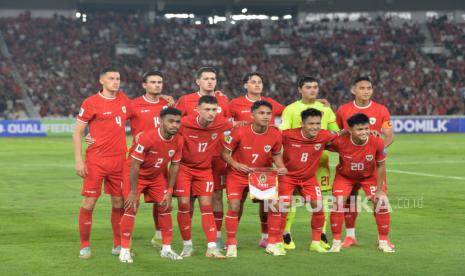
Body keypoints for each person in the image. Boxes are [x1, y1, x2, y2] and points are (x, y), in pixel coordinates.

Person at [73, 67, 130, 259]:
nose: (116, 81)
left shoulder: (123, 99)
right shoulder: (91, 102)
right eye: (112, 78)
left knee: (119, 202)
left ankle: (118, 245)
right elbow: (78, 131)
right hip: (96, 161)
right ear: (102, 81)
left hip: (120, 160)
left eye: (118, 78)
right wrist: (79, 160)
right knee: (90, 201)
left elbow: (143, 107)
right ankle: (84, 246)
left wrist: (162, 97)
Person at [280, 76, 339, 250]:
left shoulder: (325, 109)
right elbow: (283, 135)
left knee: (321, 201)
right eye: (308, 87)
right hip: (294, 163)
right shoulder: (291, 109)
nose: (312, 90)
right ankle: (286, 234)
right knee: (288, 201)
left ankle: (321, 235)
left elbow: (336, 132)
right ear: (300, 89)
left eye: (315, 87)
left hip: (320, 162)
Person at [222, 100, 287, 257]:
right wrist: (236, 164)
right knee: (235, 205)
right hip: (238, 175)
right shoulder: (239, 131)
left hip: (262, 175)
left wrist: (280, 166)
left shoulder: (275, 133)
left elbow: (276, 154)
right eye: (261, 113)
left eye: (268, 114)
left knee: (273, 206)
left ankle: (271, 243)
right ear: (252, 115)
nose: (265, 116)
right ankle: (231, 243)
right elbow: (224, 153)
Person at [175, 67, 231, 248]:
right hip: (190, 156)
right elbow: (173, 122)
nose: (210, 81)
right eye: (206, 78)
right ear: (197, 81)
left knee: (216, 195)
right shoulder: (185, 100)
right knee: (187, 199)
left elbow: (230, 124)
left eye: (213, 78)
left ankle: (218, 236)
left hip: (216, 157)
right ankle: (186, 240)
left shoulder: (223, 99)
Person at [335, 76, 394, 249]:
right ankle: (350, 236)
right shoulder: (343, 110)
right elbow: (339, 133)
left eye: (369, 88)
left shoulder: (381, 109)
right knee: (349, 201)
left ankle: (383, 239)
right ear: (354, 90)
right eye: (362, 88)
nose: (366, 91)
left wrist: (381, 148)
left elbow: (389, 134)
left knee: (380, 199)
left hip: (372, 166)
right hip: (349, 165)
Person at [119, 107, 184, 263]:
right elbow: (134, 165)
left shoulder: (179, 140)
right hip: (135, 175)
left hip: (155, 177)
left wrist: (169, 191)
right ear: (161, 121)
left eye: (177, 122)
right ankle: (124, 250)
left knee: (165, 206)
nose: (174, 125)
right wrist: (133, 192)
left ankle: (166, 249)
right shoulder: (148, 138)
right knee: (131, 207)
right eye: (170, 121)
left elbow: (174, 166)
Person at [327, 113, 394, 253]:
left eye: (366, 128)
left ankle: (383, 241)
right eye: (359, 129)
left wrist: (380, 189)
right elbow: (322, 143)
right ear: (350, 130)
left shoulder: (376, 141)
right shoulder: (340, 141)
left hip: (369, 177)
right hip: (345, 177)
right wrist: (339, 132)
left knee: (381, 201)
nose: (364, 132)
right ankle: (337, 241)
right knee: (339, 202)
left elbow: (381, 165)